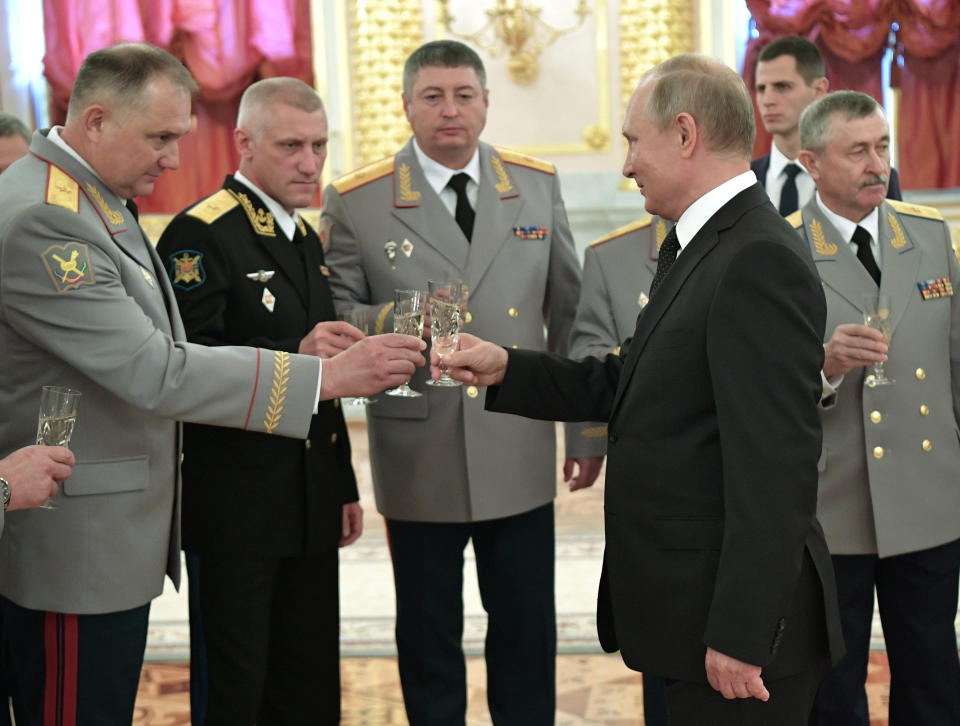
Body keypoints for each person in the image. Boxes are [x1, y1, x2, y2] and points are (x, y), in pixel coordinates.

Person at [0, 43, 425, 726]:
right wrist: (322, 376)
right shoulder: (51, 219)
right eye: (161, 137)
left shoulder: (90, 199)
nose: (173, 158)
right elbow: (157, 367)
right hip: (78, 539)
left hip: (109, 528)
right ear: (98, 121)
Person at [436, 53, 845, 725]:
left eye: (633, 141)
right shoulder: (705, 243)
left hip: (734, 634)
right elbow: (638, 376)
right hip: (685, 612)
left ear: (685, 135)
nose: (625, 164)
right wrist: (508, 366)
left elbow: (777, 469)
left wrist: (741, 635)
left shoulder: (755, 258)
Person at [322, 39, 581, 724]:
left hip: (516, 437)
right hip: (419, 446)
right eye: (433, 96)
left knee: (526, 628)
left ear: (487, 103)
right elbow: (336, 316)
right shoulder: (359, 200)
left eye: (464, 95)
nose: (450, 111)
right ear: (406, 105)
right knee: (429, 633)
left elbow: (574, 319)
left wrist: (587, 433)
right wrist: (404, 317)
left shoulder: (535, 185)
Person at [156, 77, 362, 725]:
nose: (310, 163)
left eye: (320, 146)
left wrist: (344, 483)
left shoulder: (301, 235)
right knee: (238, 684)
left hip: (307, 496)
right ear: (244, 144)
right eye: (292, 146)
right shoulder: (200, 235)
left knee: (307, 678)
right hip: (238, 504)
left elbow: (327, 374)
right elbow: (186, 364)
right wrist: (292, 352)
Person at [791, 90, 960, 726]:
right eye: (857, 150)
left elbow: (957, 363)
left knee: (934, 677)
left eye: (882, 146)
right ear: (811, 163)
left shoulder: (927, 234)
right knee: (833, 690)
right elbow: (759, 390)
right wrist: (823, 365)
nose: (877, 163)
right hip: (832, 506)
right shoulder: (780, 251)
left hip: (927, 500)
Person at [562, 216, 672, 725]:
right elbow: (590, 351)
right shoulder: (612, 256)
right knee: (663, 644)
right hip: (652, 492)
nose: (629, 166)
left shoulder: (766, 239)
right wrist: (588, 441)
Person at [752, 35, 901, 215]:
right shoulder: (744, 180)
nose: (767, 100)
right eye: (761, 89)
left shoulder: (873, 178)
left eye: (782, 87)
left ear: (819, 90)